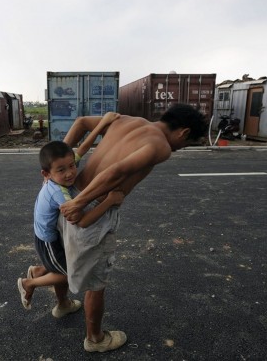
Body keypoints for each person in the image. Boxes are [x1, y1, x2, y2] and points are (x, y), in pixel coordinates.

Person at [59, 103, 207, 352]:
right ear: (183, 132)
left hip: (68, 190)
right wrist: (80, 203)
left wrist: (59, 168)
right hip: (93, 205)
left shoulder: (126, 119)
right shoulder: (160, 146)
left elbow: (82, 122)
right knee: (96, 280)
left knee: (64, 251)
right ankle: (95, 339)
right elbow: (117, 171)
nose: (182, 147)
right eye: (188, 142)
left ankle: (61, 303)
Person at [17, 112, 123, 318]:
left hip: (48, 235)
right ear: (46, 174)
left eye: (72, 166)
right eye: (61, 170)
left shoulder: (61, 172)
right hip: (47, 241)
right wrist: (110, 201)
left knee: (63, 268)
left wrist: (103, 124)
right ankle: (29, 283)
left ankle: (39, 273)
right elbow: (81, 221)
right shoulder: (59, 192)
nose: (70, 173)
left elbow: (82, 148)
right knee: (68, 274)